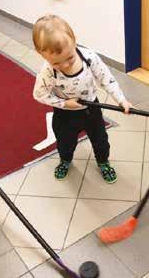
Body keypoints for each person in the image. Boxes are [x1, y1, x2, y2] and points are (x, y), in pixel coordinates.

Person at [32, 14, 132, 183]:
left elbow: (106, 79)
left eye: (69, 58)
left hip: (91, 110)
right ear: (42, 55)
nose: (64, 65)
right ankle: (65, 160)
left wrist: (121, 100)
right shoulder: (48, 71)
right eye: (57, 62)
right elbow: (39, 94)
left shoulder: (89, 57)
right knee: (64, 142)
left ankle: (103, 162)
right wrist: (64, 103)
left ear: (74, 41)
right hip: (64, 114)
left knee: (101, 141)